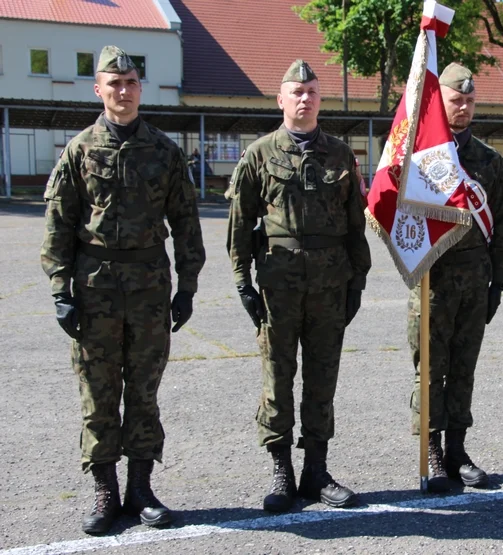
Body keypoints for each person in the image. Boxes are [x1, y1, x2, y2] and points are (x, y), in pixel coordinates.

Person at [40, 46, 205, 534]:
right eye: (114, 83)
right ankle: (105, 491)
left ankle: (140, 488)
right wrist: (60, 289)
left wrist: (188, 286)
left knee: (144, 390)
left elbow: (186, 223)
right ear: (99, 90)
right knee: (98, 391)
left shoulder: (164, 150)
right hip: (96, 289)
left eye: (131, 82)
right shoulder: (80, 150)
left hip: (151, 286)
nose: (124, 91)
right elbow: (59, 224)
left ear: (140, 88)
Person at [226, 60, 371, 512]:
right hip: (278, 286)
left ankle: (316, 471)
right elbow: (239, 224)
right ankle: (281, 471)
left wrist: (358, 280)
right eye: (296, 91)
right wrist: (243, 283)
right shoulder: (259, 154)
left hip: (330, 285)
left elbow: (354, 226)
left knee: (323, 379)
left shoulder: (341, 155)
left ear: (318, 98)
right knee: (278, 379)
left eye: (311, 91)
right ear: (281, 100)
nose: (304, 98)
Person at [408, 63, 503, 492]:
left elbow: (502, 223)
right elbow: (401, 221)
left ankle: (457, 449)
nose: (465, 106)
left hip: (475, 280)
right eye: (457, 100)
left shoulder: (488, 160)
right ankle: (431, 451)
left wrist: (499, 281)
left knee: (464, 369)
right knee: (432, 371)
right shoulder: (422, 158)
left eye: (470, 100)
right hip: (433, 280)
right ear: (441, 102)